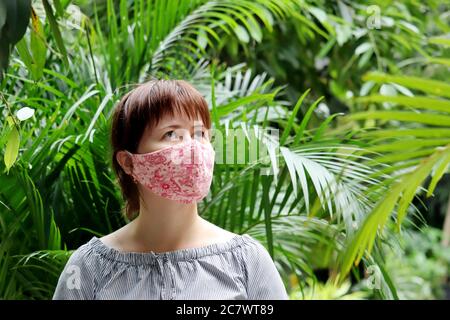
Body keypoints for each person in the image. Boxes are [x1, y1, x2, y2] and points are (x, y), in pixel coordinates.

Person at [52, 79, 289, 300]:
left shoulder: (247, 261)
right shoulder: (89, 268)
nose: (193, 147)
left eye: (200, 134)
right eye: (171, 134)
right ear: (129, 162)